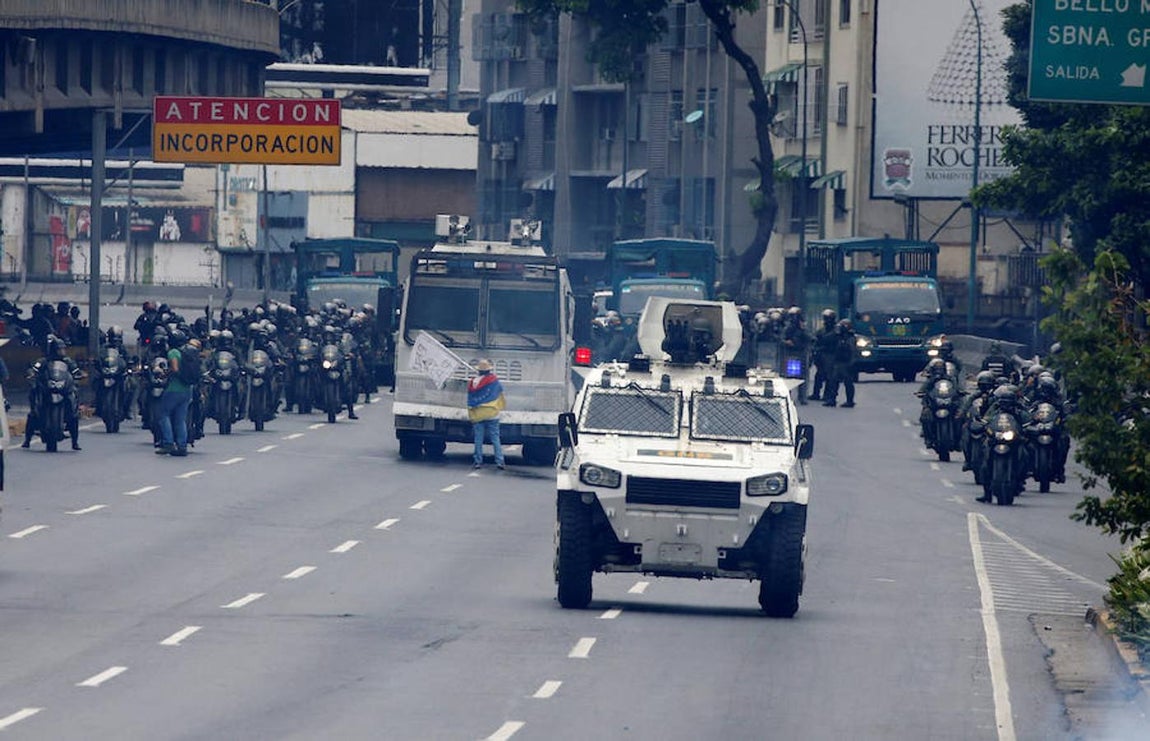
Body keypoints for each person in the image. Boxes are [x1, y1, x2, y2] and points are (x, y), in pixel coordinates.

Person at [156, 331, 193, 456]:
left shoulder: (173, 352)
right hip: (187, 389)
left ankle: (168, 443)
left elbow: (175, 368)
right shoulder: (187, 352)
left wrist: (165, 373)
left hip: (174, 389)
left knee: (163, 414)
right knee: (180, 419)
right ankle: (182, 446)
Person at [468, 359, 505, 469]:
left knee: (478, 439)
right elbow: (500, 395)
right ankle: (500, 461)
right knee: (495, 438)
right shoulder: (495, 381)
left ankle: (478, 461)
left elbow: (471, 398)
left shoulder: (473, 382)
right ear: (489, 370)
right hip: (492, 413)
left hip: (479, 414)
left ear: (478, 371)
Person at [822, 319, 856, 408]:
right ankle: (832, 399)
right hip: (838, 361)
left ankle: (850, 401)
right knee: (834, 381)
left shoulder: (850, 337)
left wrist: (851, 362)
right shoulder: (838, 336)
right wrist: (835, 333)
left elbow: (851, 350)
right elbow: (826, 339)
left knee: (848, 382)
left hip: (846, 362)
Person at [809, 308, 837, 401]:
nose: (827, 320)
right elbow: (815, 340)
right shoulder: (821, 330)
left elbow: (833, 342)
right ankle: (816, 393)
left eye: (828, 318)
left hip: (830, 354)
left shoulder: (836, 331)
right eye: (826, 318)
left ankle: (827, 395)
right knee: (819, 375)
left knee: (829, 376)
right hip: (821, 355)